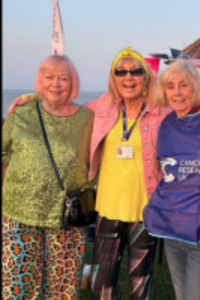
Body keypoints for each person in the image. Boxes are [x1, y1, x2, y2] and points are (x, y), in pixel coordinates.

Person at [7, 47, 171, 300]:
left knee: (140, 285)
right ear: (113, 78)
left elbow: (188, 107)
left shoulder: (162, 111)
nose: (128, 77)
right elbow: (62, 105)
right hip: (108, 208)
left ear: (146, 76)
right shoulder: (103, 107)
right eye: (121, 72)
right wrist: (34, 98)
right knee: (100, 284)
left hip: (145, 210)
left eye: (136, 71)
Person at [2, 54, 94, 300]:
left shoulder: (89, 118)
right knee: (17, 287)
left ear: (72, 83)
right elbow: (3, 156)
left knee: (60, 290)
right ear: (40, 81)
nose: (56, 84)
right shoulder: (20, 114)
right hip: (18, 215)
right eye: (49, 77)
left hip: (65, 218)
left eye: (63, 78)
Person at [143, 60, 200, 300]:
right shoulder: (168, 122)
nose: (177, 92)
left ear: (197, 86)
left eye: (184, 85)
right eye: (170, 86)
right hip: (172, 230)